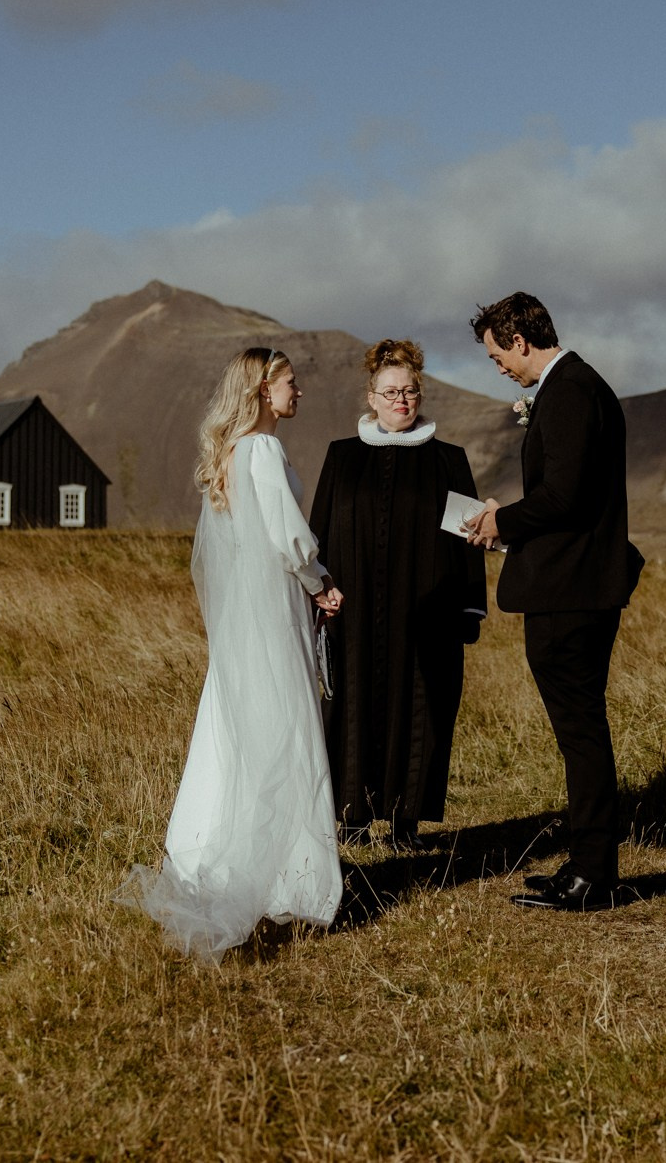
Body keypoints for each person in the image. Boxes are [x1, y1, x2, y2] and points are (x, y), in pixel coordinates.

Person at [122, 347, 346, 959]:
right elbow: (287, 536)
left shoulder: (233, 452)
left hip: (247, 617)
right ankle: (292, 883)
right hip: (275, 610)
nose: (298, 393)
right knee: (286, 727)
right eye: (290, 384)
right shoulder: (264, 449)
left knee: (235, 727)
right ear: (261, 389)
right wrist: (320, 582)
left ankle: (207, 852)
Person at [463, 293, 643, 912]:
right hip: (578, 585)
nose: (499, 368)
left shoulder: (568, 391)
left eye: (495, 357)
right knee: (580, 729)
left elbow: (563, 498)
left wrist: (499, 524)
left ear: (519, 340)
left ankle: (593, 875)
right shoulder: (578, 385)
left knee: (580, 731)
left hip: (570, 592)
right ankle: (586, 862)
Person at [308, 339, 488, 846]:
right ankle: (353, 818)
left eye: (409, 391)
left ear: (420, 393)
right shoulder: (341, 458)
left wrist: (468, 610)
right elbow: (317, 532)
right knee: (350, 705)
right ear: (371, 396)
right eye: (390, 393)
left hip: (426, 616)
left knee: (421, 708)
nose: (401, 401)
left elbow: (469, 540)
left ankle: (406, 822)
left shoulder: (449, 460)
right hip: (353, 613)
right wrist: (314, 591)